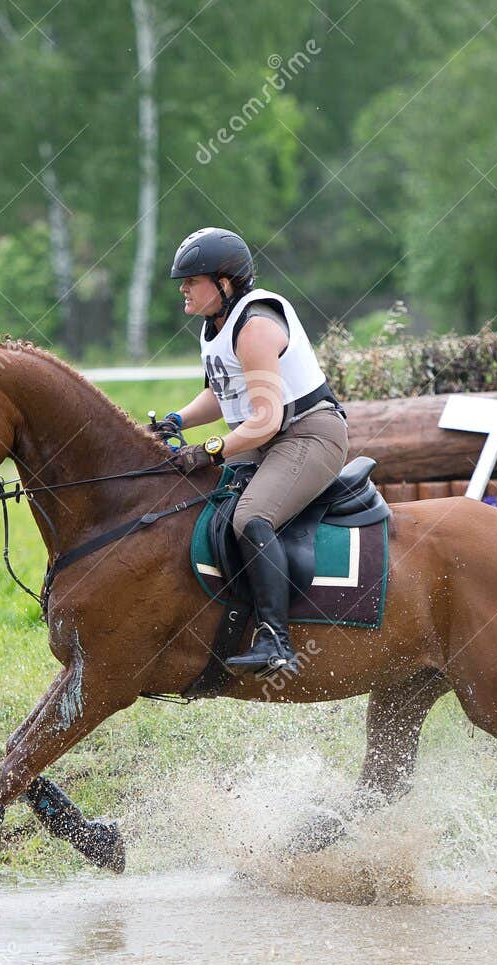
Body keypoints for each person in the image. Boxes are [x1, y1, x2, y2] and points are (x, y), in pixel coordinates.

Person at [158, 227, 348, 676]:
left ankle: (276, 642)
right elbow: (221, 395)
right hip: (261, 441)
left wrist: (212, 449)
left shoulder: (255, 325)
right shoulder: (215, 326)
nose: (183, 288)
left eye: (192, 280)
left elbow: (267, 419)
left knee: (250, 517)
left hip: (306, 434)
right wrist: (177, 420)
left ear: (224, 282)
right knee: (197, 504)